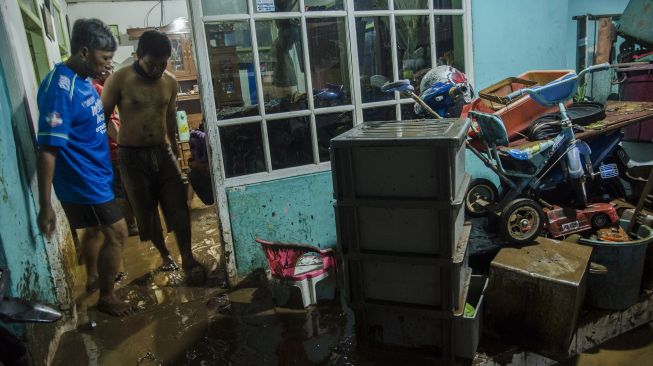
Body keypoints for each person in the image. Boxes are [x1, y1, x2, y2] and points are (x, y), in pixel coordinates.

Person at [36, 18, 133, 316]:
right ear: (83, 52)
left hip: (97, 172)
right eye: (103, 58)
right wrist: (45, 205)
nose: (106, 64)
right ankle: (107, 296)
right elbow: (48, 148)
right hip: (83, 179)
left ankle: (93, 277)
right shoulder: (59, 90)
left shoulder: (82, 80)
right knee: (118, 233)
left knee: (93, 230)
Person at [102, 30, 205, 283]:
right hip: (131, 157)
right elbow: (101, 120)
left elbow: (170, 118)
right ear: (137, 56)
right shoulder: (118, 80)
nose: (158, 69)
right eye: (152, 63)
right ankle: (164, 254)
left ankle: (188, 257)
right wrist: (120, 140)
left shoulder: (169, 81)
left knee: (179, 206)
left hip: (162, 150)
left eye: (163, 63)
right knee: (146, 211)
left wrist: (177, 153)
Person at [93, 65, 139, 237]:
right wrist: (123, 145)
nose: (111, 70)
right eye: (106, 66)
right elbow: (109, 123)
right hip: (113, 150)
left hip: (113, 148)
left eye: (112, 66)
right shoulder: (98, 89)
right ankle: (129, 225)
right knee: (121, 189)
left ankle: (130, 223)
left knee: (124, 188)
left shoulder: (105, 88)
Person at [187, 122, 215, 206]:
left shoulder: (195, 136)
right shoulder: (204, 137)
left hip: (201, 168)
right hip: (205, 169)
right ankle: (189, 202)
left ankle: (188, 203)